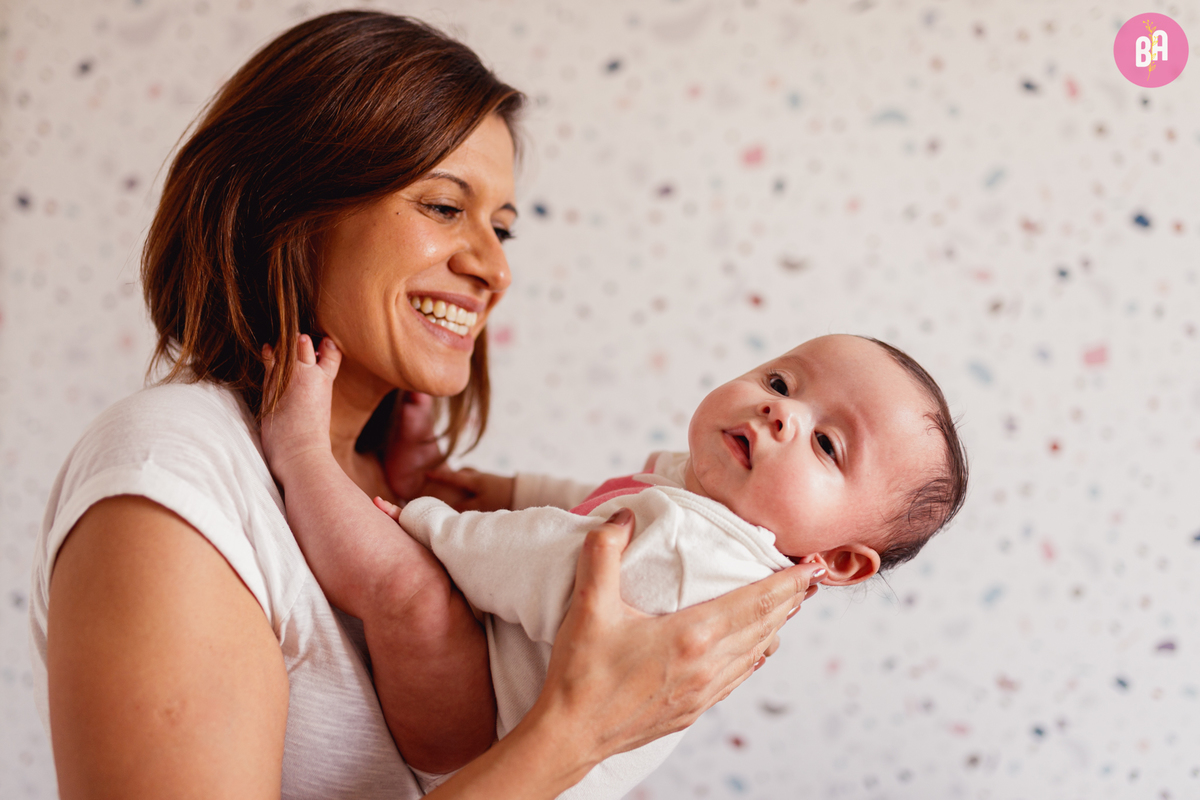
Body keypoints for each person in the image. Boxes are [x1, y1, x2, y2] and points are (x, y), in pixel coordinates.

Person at [26, 11, 827, 800]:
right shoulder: (173, 481)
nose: (492, 268)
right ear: (288, 206)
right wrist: (579, 732)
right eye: (445, 208)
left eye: (502, 229)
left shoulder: (406, 480)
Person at [260, 331, 969, 796]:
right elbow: (599, 507)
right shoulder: (705, 503)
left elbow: (539, 561)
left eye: (828, 446)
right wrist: (504, 489)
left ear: (839, 560)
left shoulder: (696, 558)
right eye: (782, 383)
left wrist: (426, 523)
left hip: (480, 738)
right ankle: (431, 471)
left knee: (412, 585)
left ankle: (297, 454)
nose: (781, 413)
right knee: (470, 534)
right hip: (508, 707)